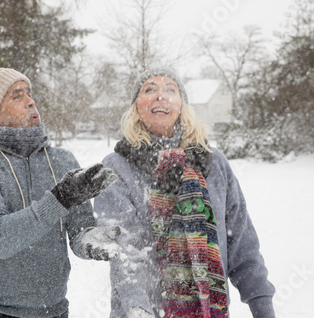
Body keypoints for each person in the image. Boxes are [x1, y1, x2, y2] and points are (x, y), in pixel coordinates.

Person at [94, 67, 276, 318]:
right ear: (136, 106)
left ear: (182, 105)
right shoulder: (116, 167)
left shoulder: (214, 163)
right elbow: (125, 252)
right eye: (150, 89)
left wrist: (262, 304)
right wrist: (138, 309)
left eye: (171, 89)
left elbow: (241, 242)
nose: (161, 95)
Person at [0, 68, 120, 318]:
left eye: (29, 93)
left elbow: (79, 228)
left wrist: (90, 238)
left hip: (54, 310)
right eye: (17, 96)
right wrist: (61, 199)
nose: (31, 101)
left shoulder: (61, 159)